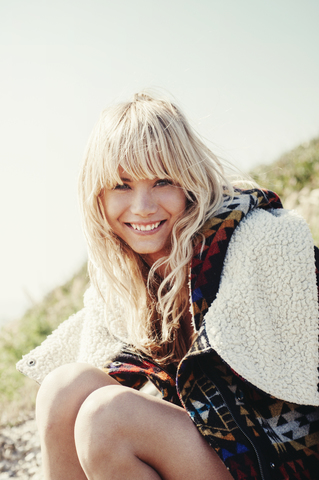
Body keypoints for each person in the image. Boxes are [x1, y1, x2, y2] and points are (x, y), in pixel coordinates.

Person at [17, 92, 319, 480]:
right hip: (222, 451)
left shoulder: (258, 243)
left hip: (280, 461)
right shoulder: (124, 278)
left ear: (189, 183)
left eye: (162, 181)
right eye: (121, 186)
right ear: (98, 196)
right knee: (64, 389)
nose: (142, 206)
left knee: (108, 419)